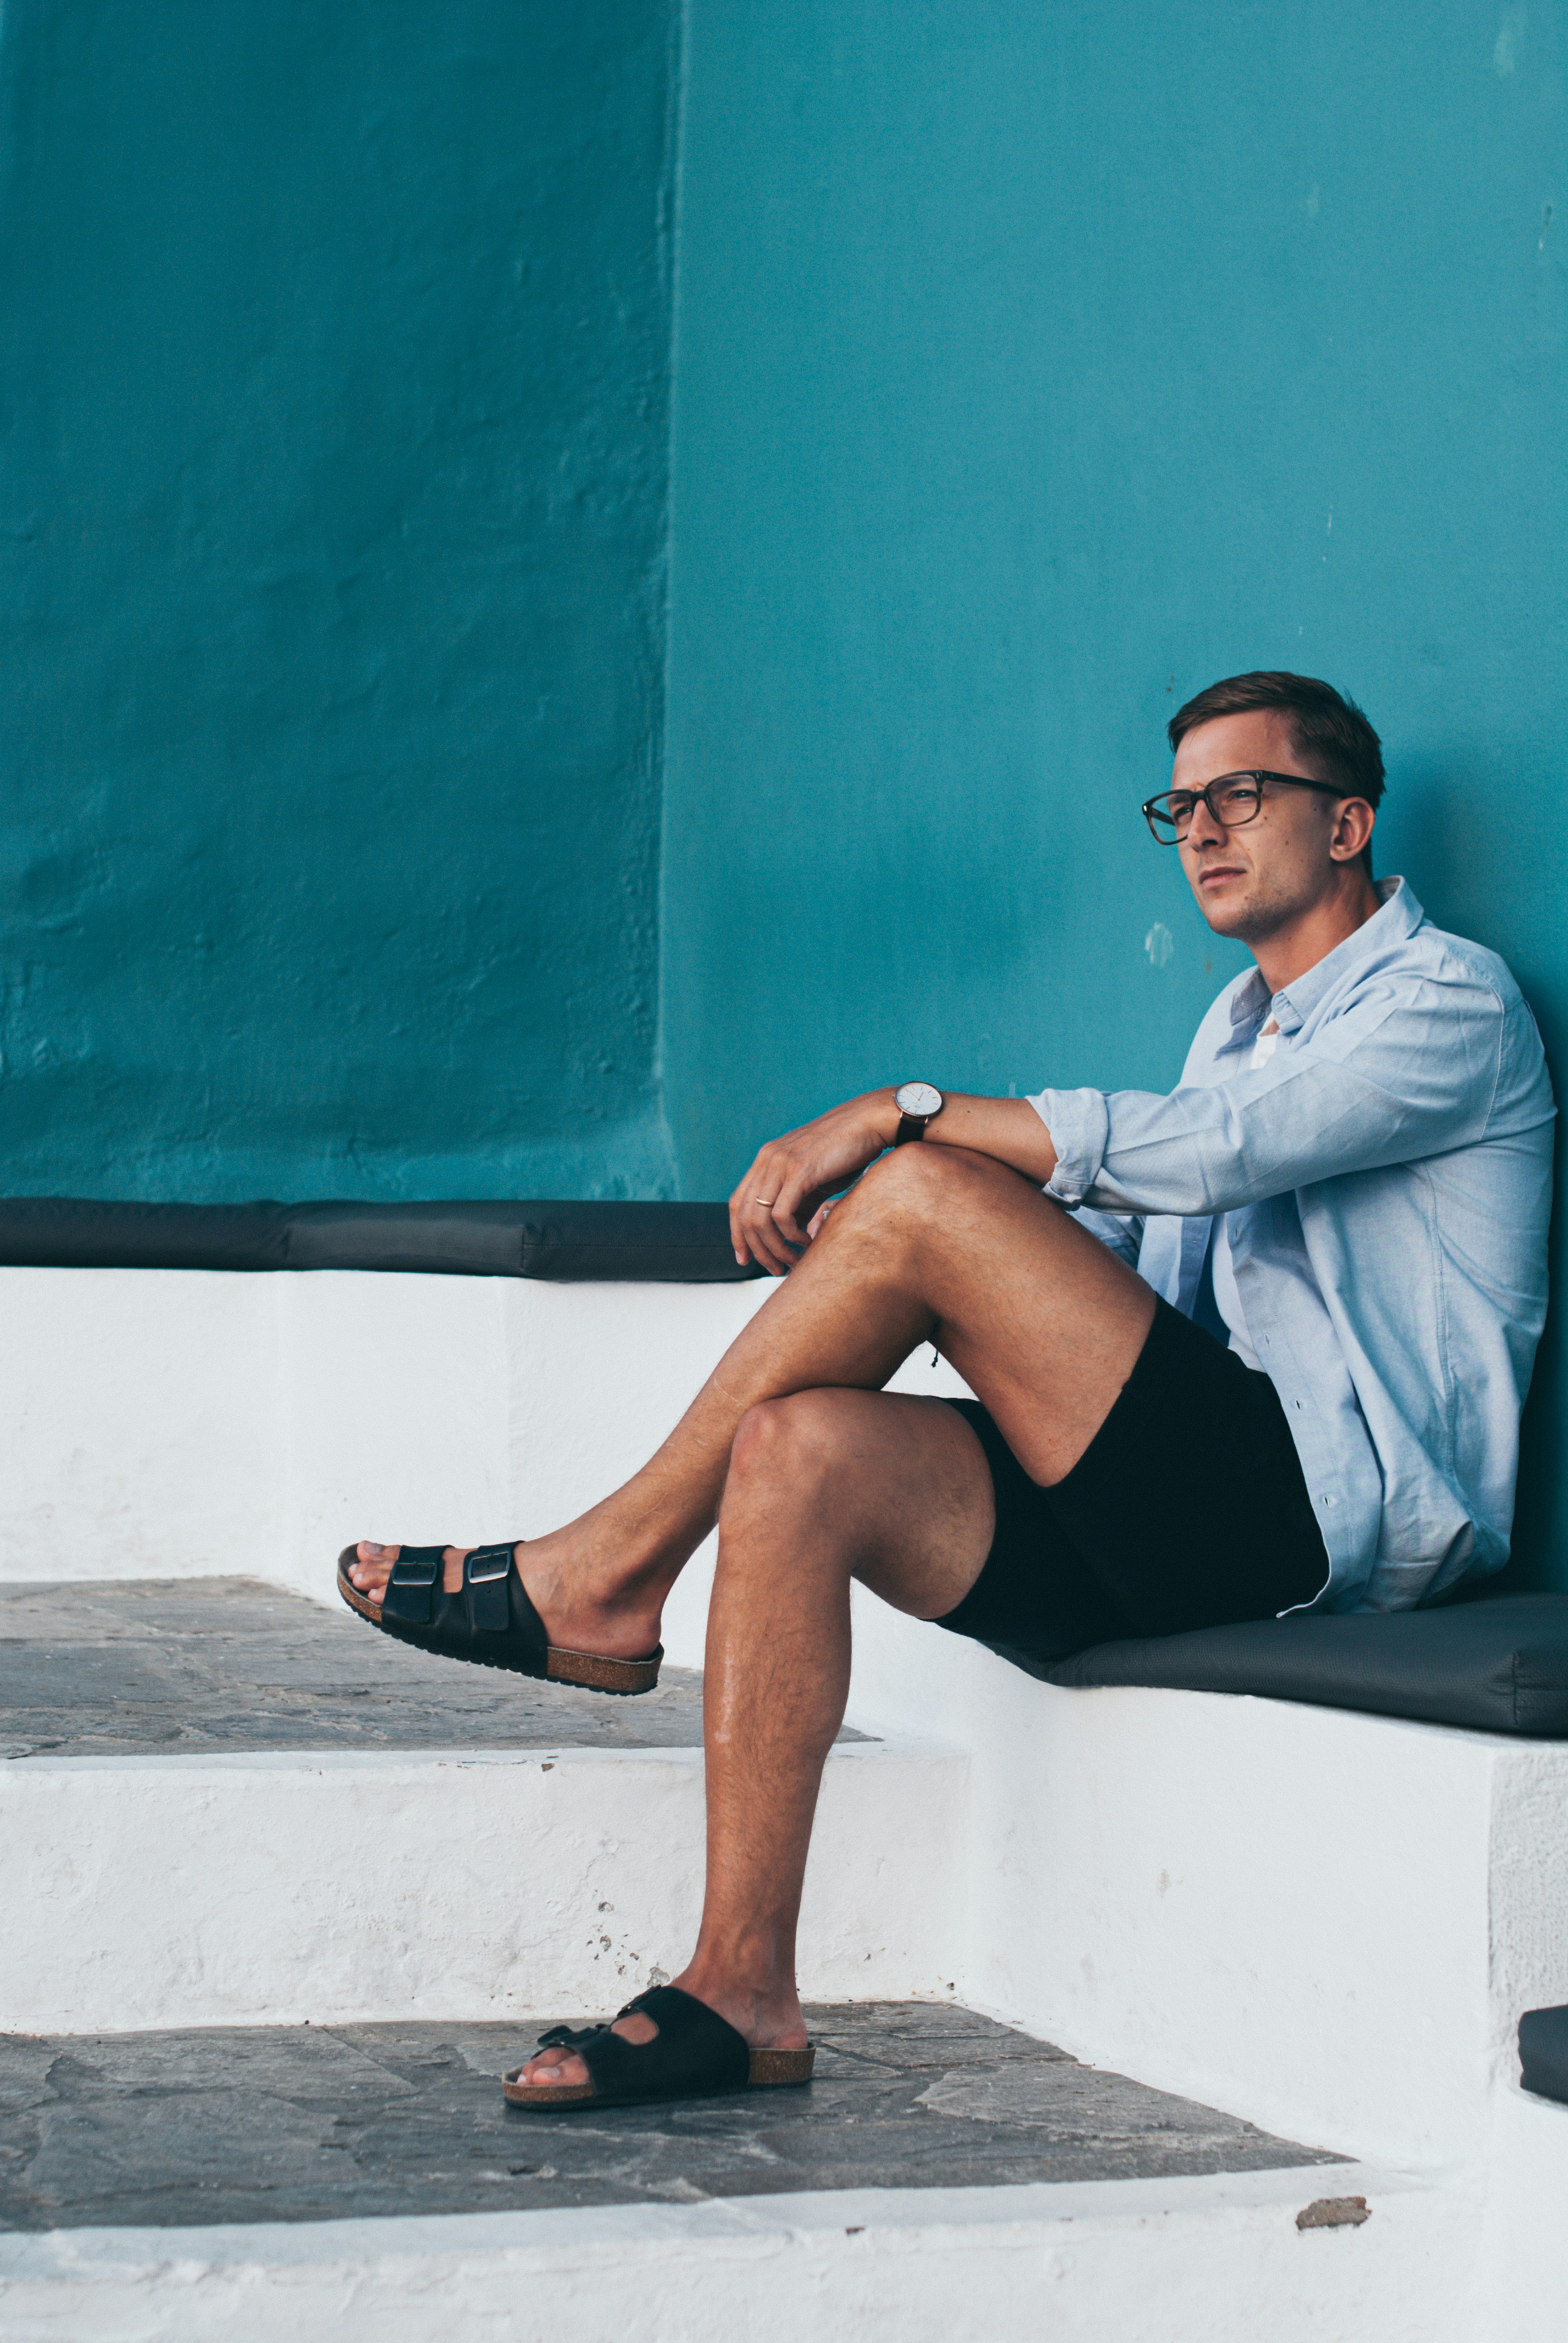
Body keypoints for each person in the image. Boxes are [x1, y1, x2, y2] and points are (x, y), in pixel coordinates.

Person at [339, 670, 1555, 2113]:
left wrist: (899, 1126)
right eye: (1183, 806)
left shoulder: (1448, 1002)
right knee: (803, 1449)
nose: (1205, 830)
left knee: (924, 1185)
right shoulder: (1238, 1027)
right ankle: (742, 1986)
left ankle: (601, 1573)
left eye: (1247, 795)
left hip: (1326, 1530)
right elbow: (1147, 1264)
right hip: (1190, 1512)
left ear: (1348, 822)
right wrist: (936, 1259)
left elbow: (1227, 1150)